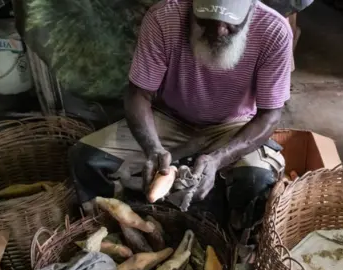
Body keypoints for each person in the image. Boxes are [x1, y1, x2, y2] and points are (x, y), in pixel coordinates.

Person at [69, 0, 292, 236]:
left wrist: (220, 158)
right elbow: (138, 94)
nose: (218, 31)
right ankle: (115, 230)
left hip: (233, 126)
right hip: (170, 118)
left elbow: (269, 115)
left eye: (231, 23)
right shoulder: (163, 19)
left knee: (255, 180)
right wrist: (152, 148)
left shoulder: (273, 31)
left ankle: (234, 245)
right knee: (87, 159)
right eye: (206, 21)